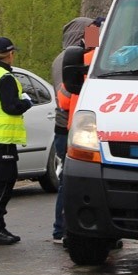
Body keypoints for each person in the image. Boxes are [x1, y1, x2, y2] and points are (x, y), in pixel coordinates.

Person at [0, 36, 33, 246]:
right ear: (10, 54)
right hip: (2, 137)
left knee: (1, 182)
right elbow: (11, 107)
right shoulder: (5, 77)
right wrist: (26, 102)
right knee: (3, 184)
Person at [50, 17, 94, 244]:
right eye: (92, 32)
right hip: (67, 126)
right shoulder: (66, 60)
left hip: (76, 125)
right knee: (69, 180)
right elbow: (65, 95)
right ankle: (62, 228)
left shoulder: (85, 56)